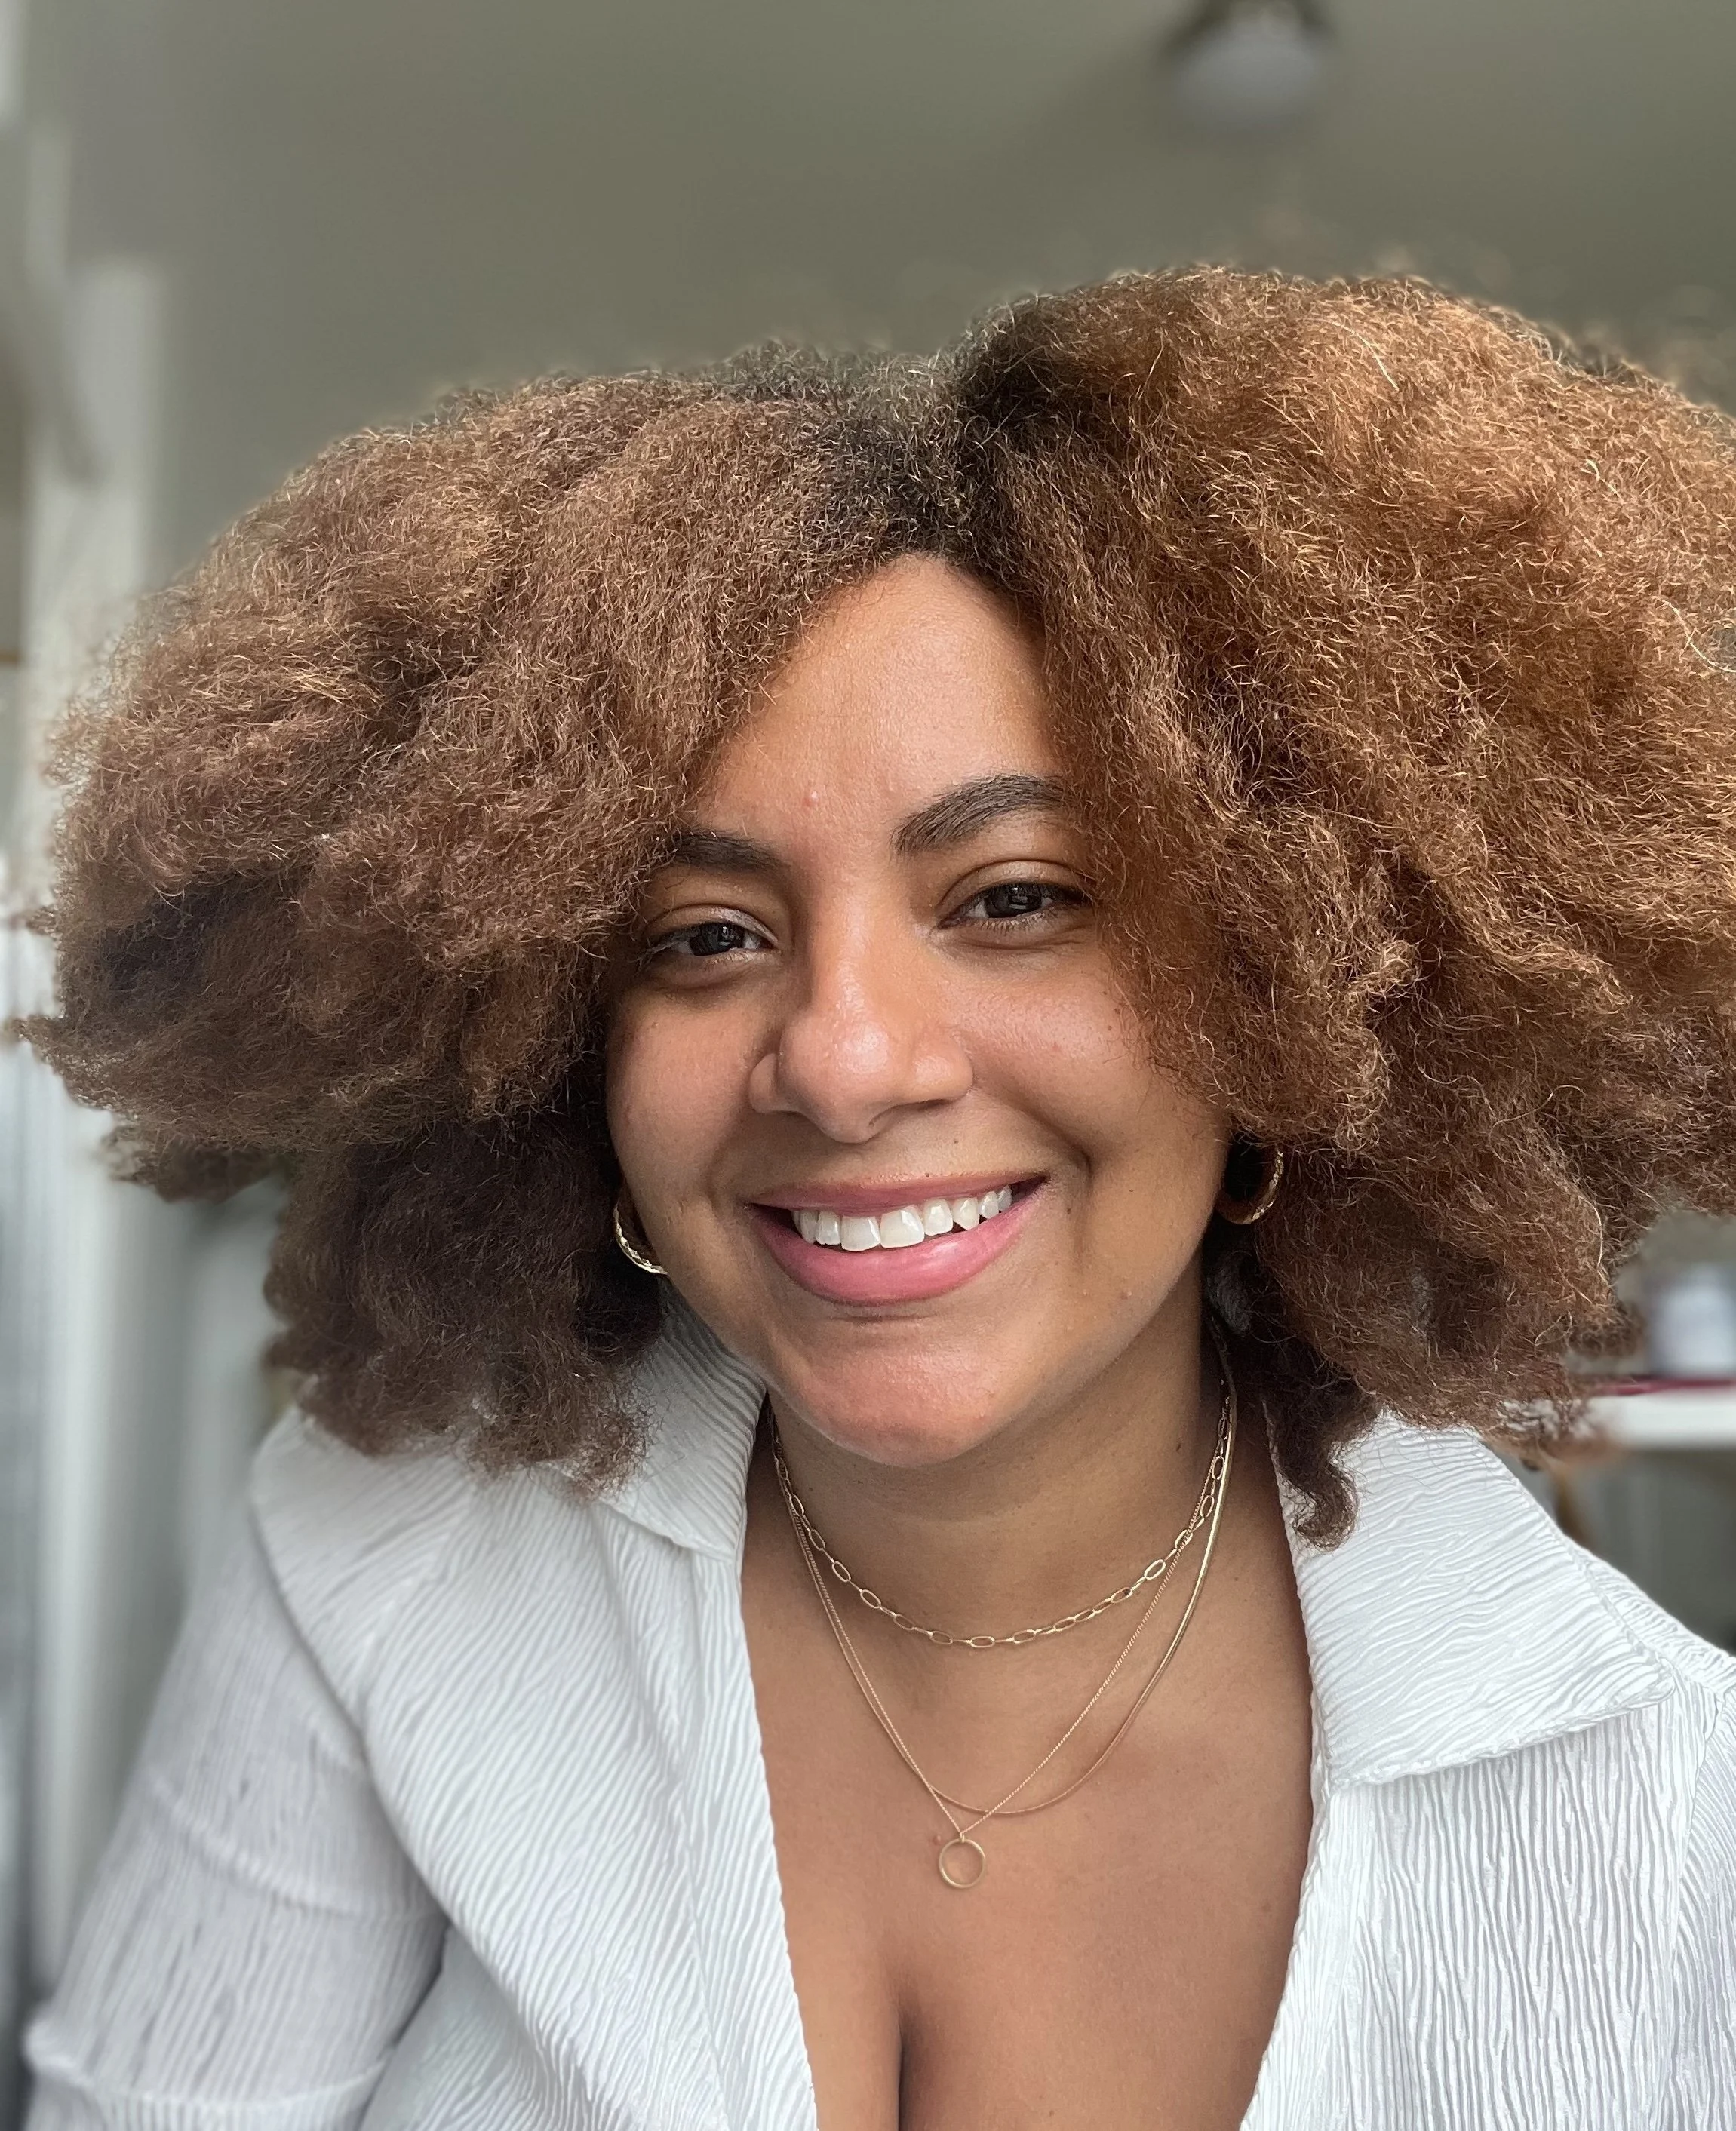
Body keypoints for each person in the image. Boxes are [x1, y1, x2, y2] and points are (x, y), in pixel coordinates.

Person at [20, 269, 1736, 2129]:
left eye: (1013, 896)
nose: (841, 1060)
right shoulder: (387, 1551)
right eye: (704, 935)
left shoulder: (1659, 1817)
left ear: (1288, 996)